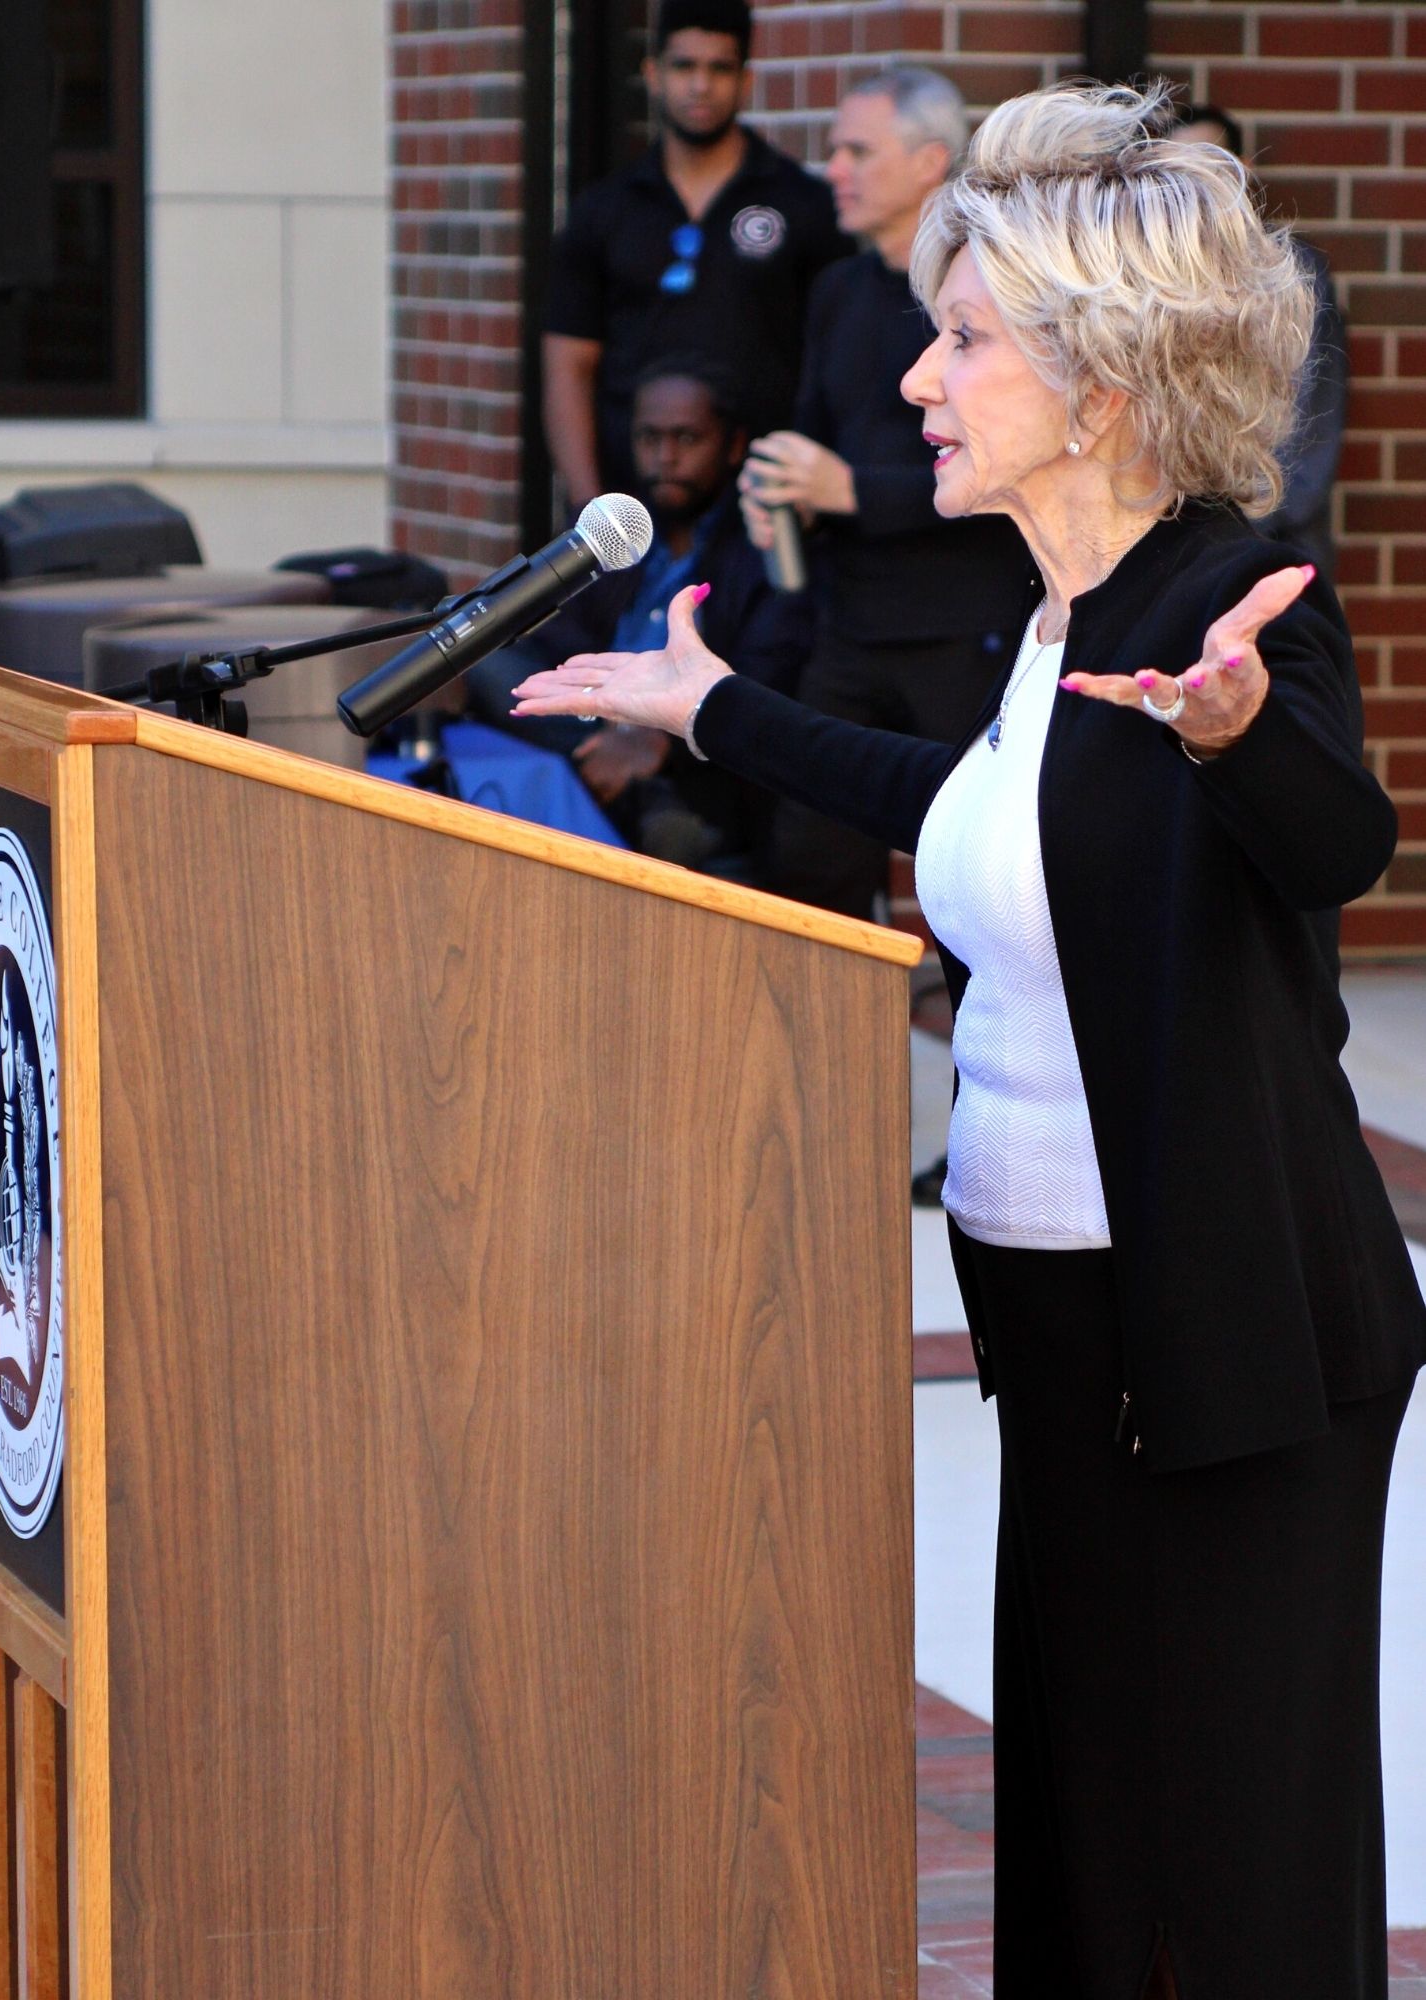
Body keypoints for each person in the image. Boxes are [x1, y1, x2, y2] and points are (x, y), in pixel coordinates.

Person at [512, 80, 1426, 2000]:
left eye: (963, 341)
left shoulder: (1225, 602)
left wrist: (1234, 730)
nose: (918, 382)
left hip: (1239, 1347)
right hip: (1076, 1339)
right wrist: (714, 708)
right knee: (1088, 1858)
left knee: (1243, 1881)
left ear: (1095, 384)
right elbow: (982, 808)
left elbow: (1338, 839)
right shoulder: (1056, 616)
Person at [739, 68, 1026, 921]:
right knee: (812, 865)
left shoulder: (983, 300)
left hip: (963, 632)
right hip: (849, 624)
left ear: (929, 161)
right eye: (832, 150)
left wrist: (848, 488)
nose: (834, 169)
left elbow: (1003, 468)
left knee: (974, 873)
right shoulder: (837, 290)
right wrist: (780, 494)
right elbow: (812, 436)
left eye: (857, 150)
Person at [467, 356, 810, 869]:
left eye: (686, 439)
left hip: (693, 757)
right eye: (649, 439)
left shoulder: (758, 551)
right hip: (592, 720)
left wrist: (656, 740)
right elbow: (558, 644)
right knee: (484, 655)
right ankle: (641, 800)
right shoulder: (622, 539)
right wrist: (613, 734)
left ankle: (651, 799)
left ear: (733, 446)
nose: (664, 457)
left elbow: (766, 680)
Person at [540, 0, 850, 513]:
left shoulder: (804, 204)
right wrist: (588, 505)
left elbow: (834, 363)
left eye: (719, 68)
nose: (700, 85)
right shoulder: (605, 210)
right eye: (684, 66)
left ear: (745, 81)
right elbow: (569, 365)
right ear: (653, 74)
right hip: (634, 509)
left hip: (764, 510)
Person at [1173, 100, 1349, 580]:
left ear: (1244, 170)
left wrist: (1232, 528)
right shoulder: (1154, 280)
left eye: (1209, 162)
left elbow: (1312, 427)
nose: (1194, 180)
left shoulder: (1294, 272)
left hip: (1277, 549)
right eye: (1176, 167)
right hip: (1174, 554)